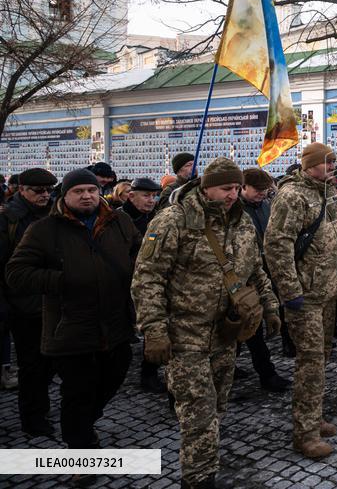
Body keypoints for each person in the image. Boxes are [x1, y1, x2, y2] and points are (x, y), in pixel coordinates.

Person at [132, 158, 279, 489]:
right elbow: (147, 279)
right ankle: (198, 480)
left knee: (217, 407)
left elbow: (255, 269)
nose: (233, 194)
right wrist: (154, 331)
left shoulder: (241, 221)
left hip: (226, 334)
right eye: (226, 188)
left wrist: (269, 306)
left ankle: (205, 466)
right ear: (206, 186)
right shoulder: (174, 220)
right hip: (186, 336)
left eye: (237, 188)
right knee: (198, 413)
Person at [6, 168, 139, 461]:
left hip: (115, 323)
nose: (87, 196)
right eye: (78, 191)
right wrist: (62, 280)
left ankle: (83, 423)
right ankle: (81, 450)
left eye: (91, 190)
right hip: (70, 327)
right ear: (65, 196)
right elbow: (16, 273)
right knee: (77, 393)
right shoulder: (44, 229)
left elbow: (138, 254)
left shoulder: (120, 221)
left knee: (114, 376)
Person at [264, 144, 337, 457]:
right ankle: (305, 434)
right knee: (310, 363)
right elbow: (277, 244)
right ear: (309, 165)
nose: (332, 167)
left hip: (326, 292)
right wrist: (289, 290)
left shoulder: (327, 192)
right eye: (327, 163)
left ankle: (315, 415)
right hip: (305, 296)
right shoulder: (293, 195)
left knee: (321, 359)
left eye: (334, 162)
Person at [0, 168, 58, 436]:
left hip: (52, 299)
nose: (44, 195)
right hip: (23, 304)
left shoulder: (54, 213)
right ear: (22, 190)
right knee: (32, 363)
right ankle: (32, 416)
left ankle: (39, 406)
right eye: (38, 191)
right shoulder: (9, 219)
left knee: (51, 361)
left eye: (48, 190)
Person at [242, 168, 297, 375]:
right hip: (248, 274)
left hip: (269, 266)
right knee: (252, 320)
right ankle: (265, 371)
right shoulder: (236, 210)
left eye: (265, 189)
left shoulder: (267, 205)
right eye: (257, 189)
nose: (262, 193)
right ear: (243, 187)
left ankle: (287, 342)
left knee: (280, 307)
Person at [122, 178, 167, 394]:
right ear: (131, 196)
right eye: (146, 196)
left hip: (151, 280)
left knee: (153, 326)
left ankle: (149, 373)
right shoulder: (120, 219)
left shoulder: (156, 217)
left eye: (154, 196)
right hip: (126, 280)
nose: (151, 200)